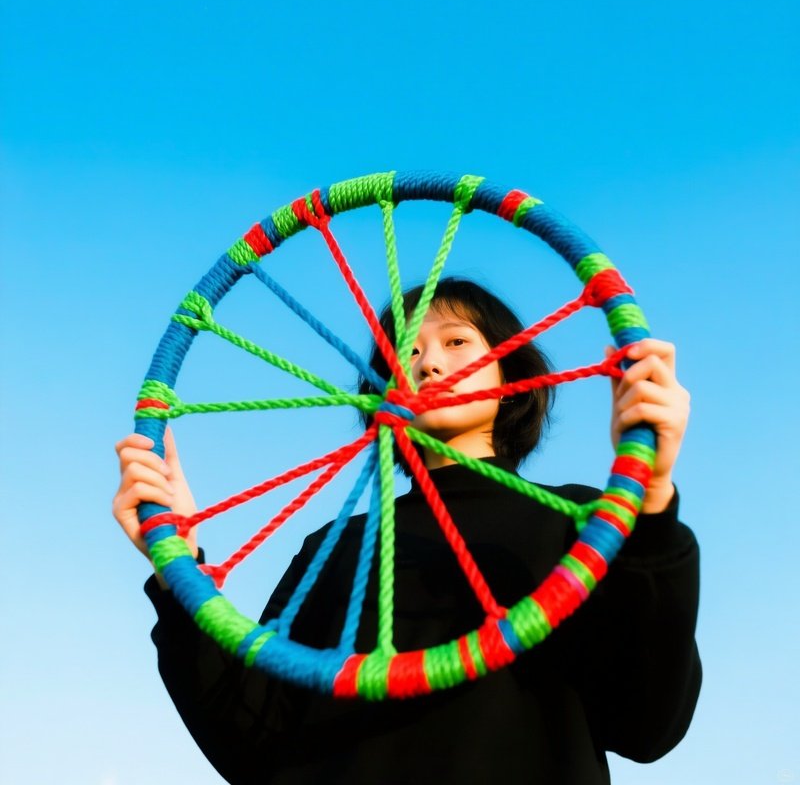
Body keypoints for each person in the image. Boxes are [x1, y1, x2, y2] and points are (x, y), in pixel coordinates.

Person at [113, 277, 700, 784]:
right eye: (406, 352)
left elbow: (649, 722)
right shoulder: (334, 545)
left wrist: (649, 502)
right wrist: (178, 566)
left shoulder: (581, 521)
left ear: (511, 369)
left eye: (455, 341)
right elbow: (254, 737)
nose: (429, 363)